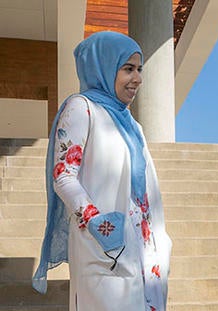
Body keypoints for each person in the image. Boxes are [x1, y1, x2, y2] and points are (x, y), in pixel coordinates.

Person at [32, 31, 172, 311]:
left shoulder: (131, 123)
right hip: (105, 240)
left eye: (139, 69)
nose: (138, 79)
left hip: (143, 243)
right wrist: (99, 224)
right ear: (103, 66)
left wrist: (160, 240)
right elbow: (63, 175)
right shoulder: (81, 108)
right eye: (128, 69)